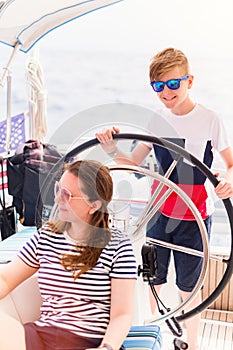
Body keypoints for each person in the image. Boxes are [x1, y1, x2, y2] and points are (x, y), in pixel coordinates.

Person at [95, 47, 233, 350]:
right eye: (158, 86)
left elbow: (230, 164)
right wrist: (108, 148)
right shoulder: (156, 120)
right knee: (153, 280)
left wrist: (227, 182)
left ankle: (191, 344)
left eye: (173, 84)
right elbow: (132, 166)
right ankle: (156, 336)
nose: (166, 92)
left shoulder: (211, 119)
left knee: (189, 287)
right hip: (158, 214)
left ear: (190, 81)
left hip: (195, 218)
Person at [0, 159, 138, 350]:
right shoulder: (46, 236)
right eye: (58, 189)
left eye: (67, 195)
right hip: (40, 336)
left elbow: (122, 314)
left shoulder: (118, 246)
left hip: (87, 342)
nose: (57, 199)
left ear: (94, 205)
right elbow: (6, 279)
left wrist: (107, 347)